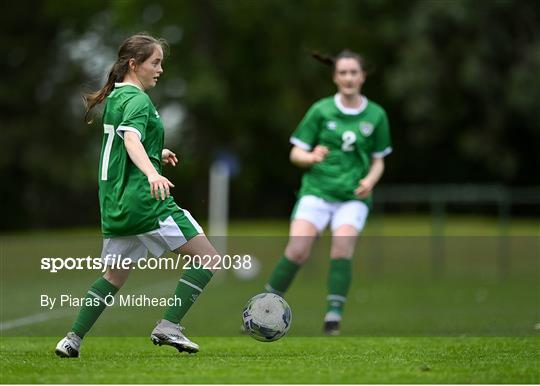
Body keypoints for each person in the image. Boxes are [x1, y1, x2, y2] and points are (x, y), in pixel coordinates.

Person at [55, 33, 220, 357]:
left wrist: (158, 152)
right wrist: (153, 172)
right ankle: (169, 325)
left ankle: (71, 339)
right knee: (209, 258)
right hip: (144, 201)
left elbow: (126, 142)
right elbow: (131, 140)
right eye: (155, 62)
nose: (159, 70)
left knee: (114, 276)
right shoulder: (138, 100)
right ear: (134, 64)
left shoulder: (116, 97)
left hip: (114, 205)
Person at [264, 50, 392, 335]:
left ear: (362, 76)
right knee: (297, 250)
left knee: (341, 248)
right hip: (317, 192)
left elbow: (378, 160)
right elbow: (296, 153)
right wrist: (310, 157)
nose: (348, 78)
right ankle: (264, 307)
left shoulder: (377, 115)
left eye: (353, 72)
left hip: (352, 197)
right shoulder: (321, 110)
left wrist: (370, 180)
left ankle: (333, 317)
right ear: (335, 77)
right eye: (343, 73)